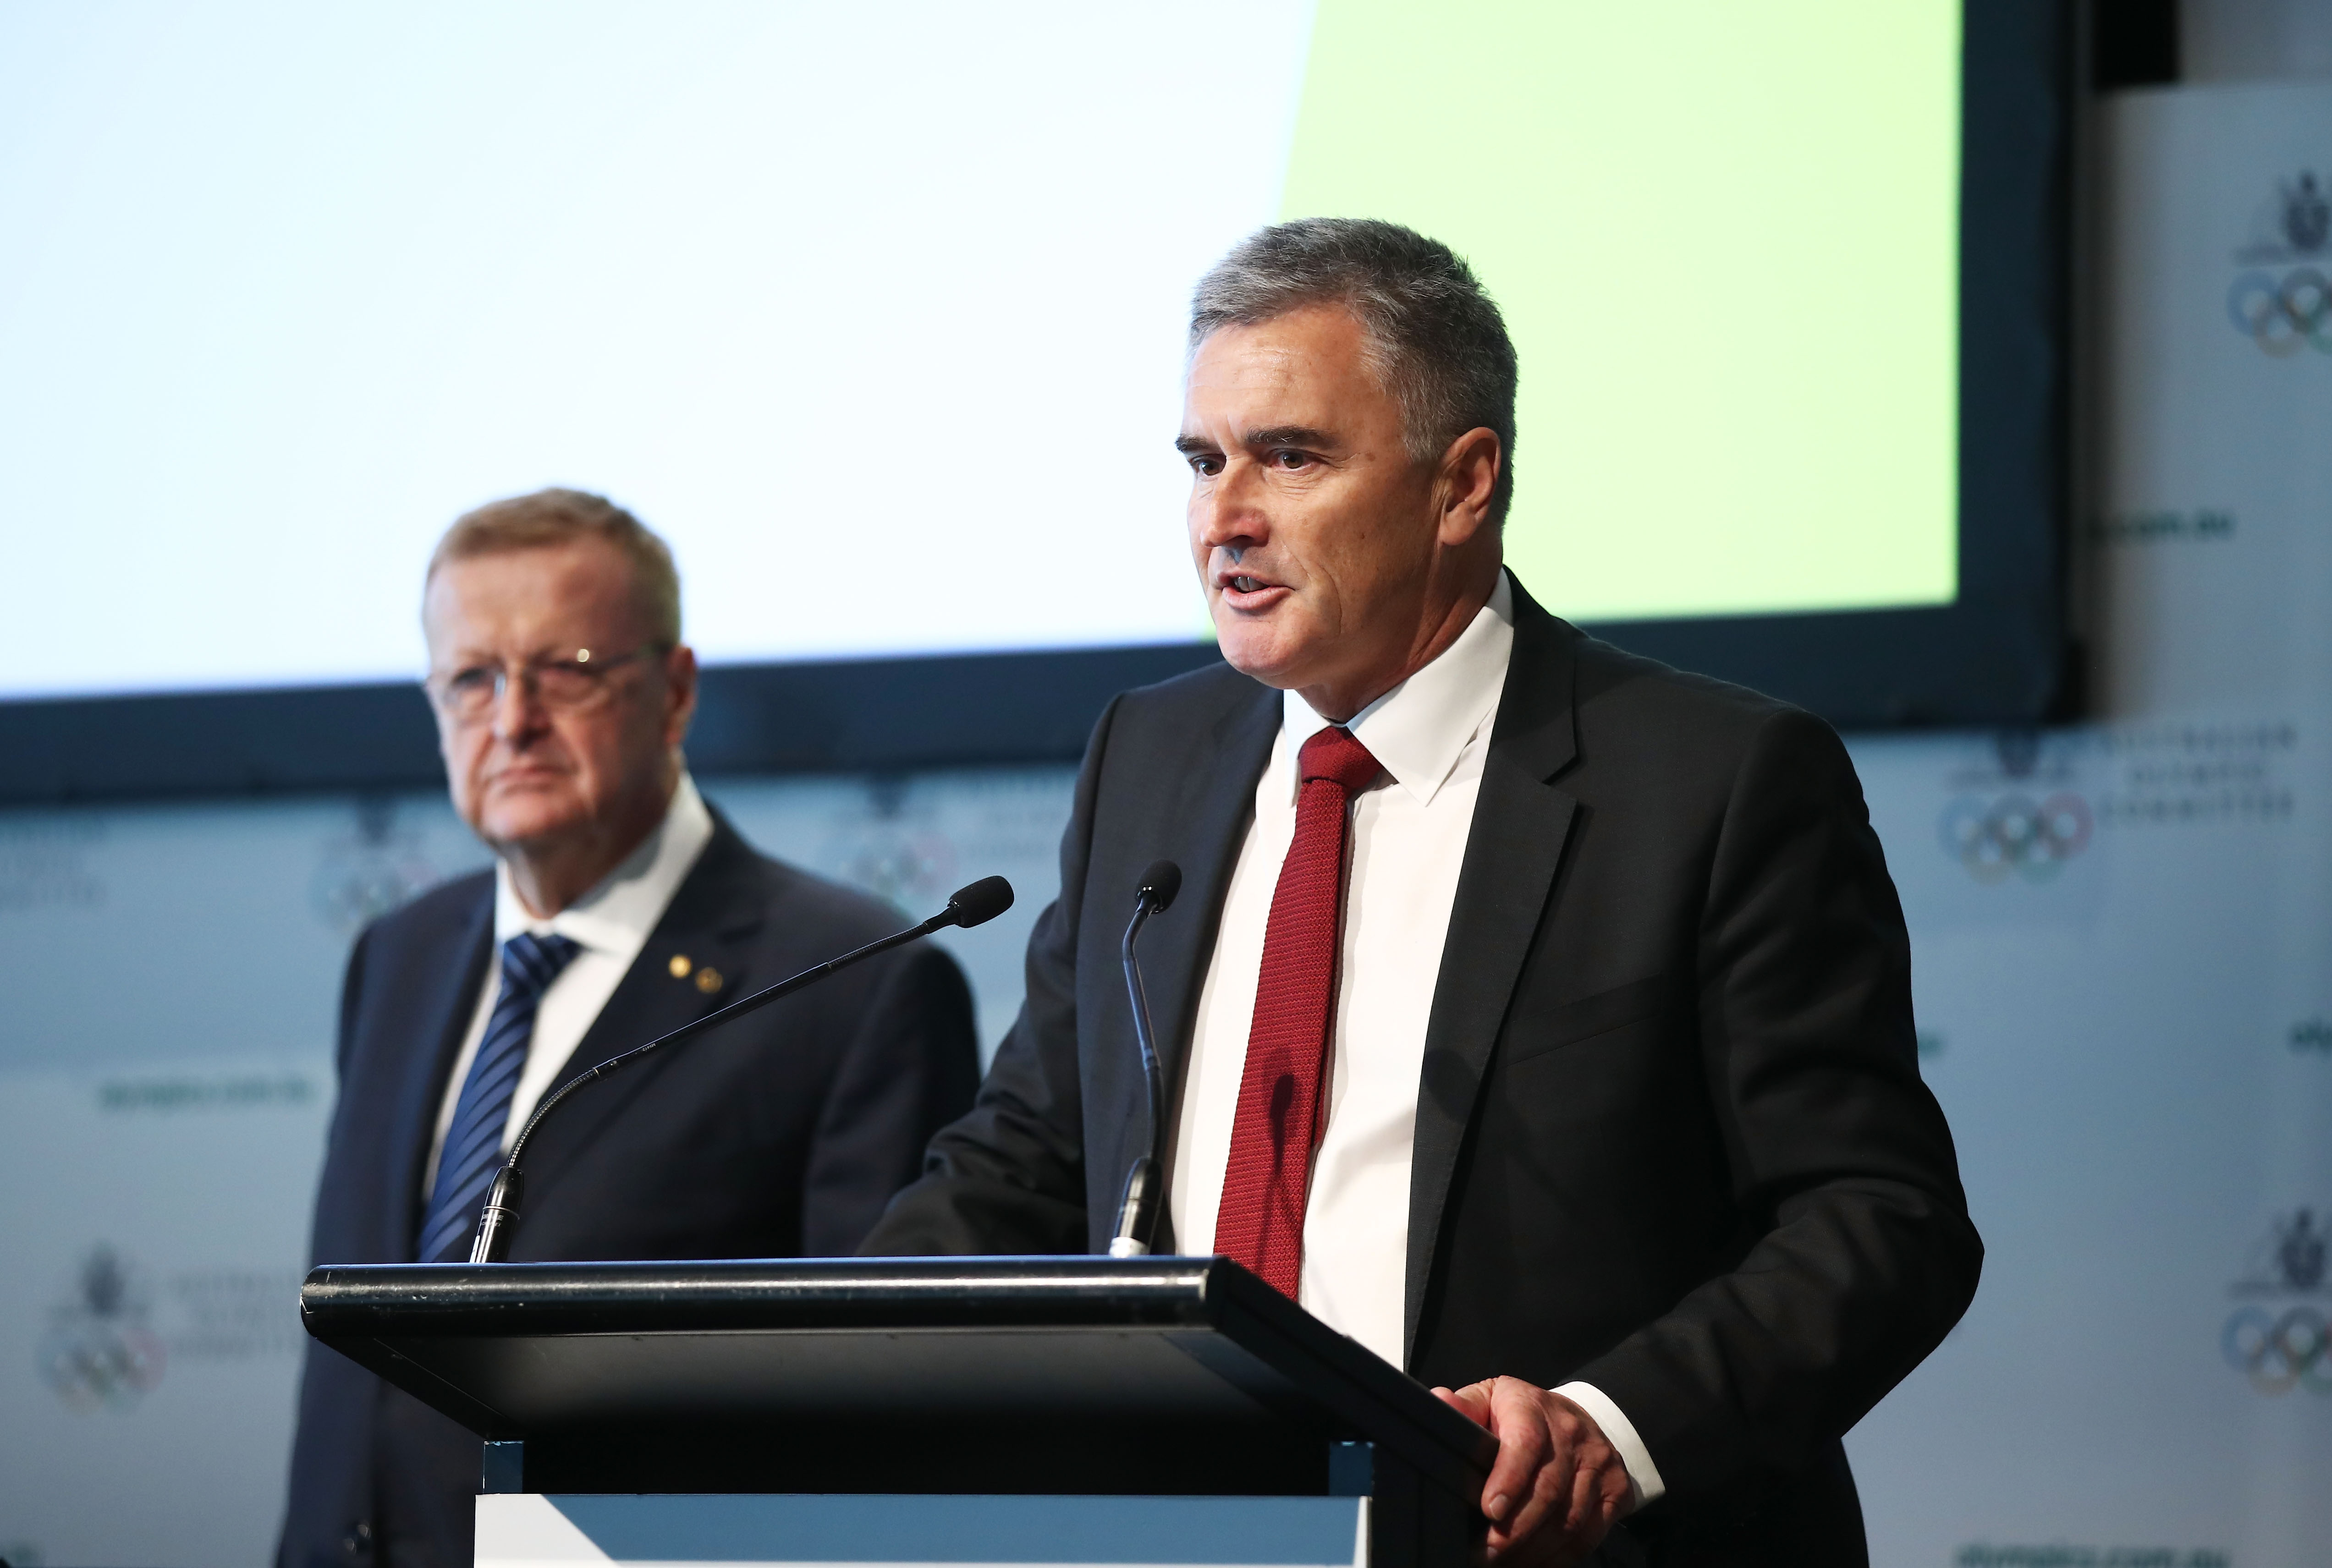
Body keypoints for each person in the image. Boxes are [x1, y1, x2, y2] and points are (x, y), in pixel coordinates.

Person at [861, 220, 1980, 1565]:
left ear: (1461, 484)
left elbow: (1878, 1217)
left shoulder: (1710, 779)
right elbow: (1030, 1155)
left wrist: (1605, 1428)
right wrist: (818, 1365)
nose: (1224, 516)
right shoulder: (1146, 757)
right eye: (1201, 461)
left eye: (1290, 455)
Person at [279, 489, 980, 1568]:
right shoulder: (401, 954)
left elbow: (866, 1406)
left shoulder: (852, 982)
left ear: (674, 691)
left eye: (565, 670)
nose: (511, 719)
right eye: (471, 678)